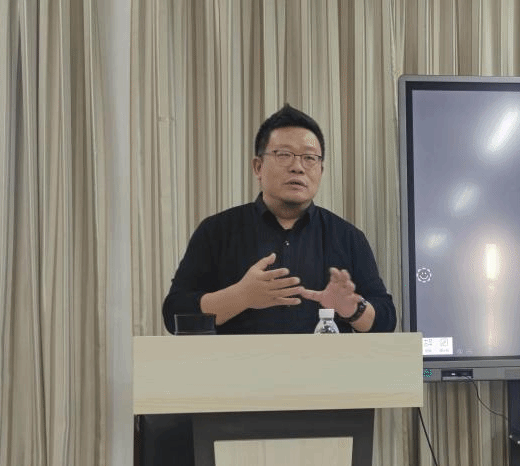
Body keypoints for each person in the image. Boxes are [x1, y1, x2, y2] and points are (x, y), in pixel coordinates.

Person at [162, 104, 396, 334]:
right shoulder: (217, 231)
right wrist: (241, 296)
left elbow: (386, 321)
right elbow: (174, 315)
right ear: (258, 167)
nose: (298, 167)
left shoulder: (347, 237)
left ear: (321, 171)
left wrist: (352, 310)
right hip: (240, 360)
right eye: (284, 155)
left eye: (309, 158)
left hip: (324, 362)